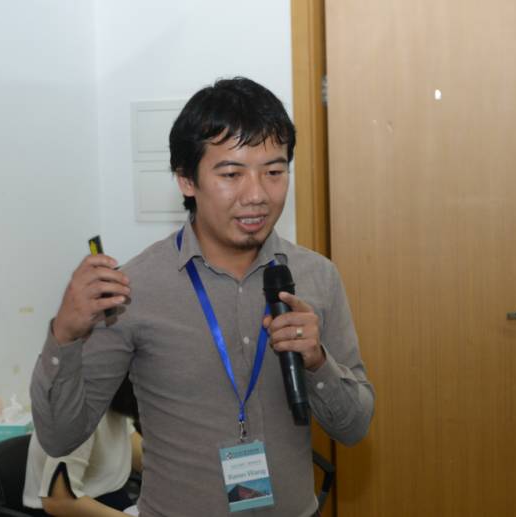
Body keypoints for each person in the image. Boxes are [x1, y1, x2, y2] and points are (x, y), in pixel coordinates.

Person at [30, 77, 374, 517]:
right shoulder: (133, 290)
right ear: (186, 180)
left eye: (274, 172)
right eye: (231, 174)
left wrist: (317, 362)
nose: (257, 195)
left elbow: (354, 427)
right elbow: (60, 437)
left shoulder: (317, 277)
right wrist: (64, 335)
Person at [23, 376, 143, 516]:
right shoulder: (78, 408)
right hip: (68, 509)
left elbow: (142, 457)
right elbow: (57, 501)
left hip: (108, 497)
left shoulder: (114, 400)